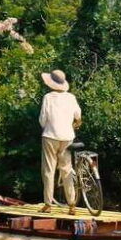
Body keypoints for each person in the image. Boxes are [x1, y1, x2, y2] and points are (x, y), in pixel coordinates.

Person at [37, 69, 82, 215]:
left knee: (49, 171)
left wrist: (48, 127)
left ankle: (48, 204)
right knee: (66, 169)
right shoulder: (71, 97)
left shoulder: (48, 97)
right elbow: (78, 115)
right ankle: (72, 205)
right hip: (67, 137)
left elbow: (42, 119)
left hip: (50, 136)